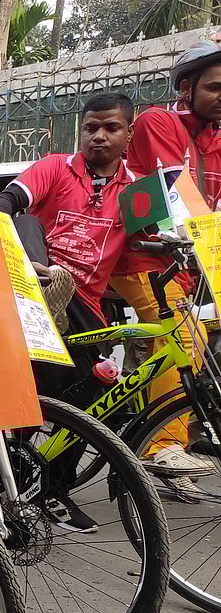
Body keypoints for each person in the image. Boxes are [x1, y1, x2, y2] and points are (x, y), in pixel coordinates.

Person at [0, 92, 139, 532]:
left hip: (89, 311)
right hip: (34, 291)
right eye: (90, 128)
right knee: (23, 221)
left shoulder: (138, 190)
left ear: (128, 133)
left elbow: (162, 235)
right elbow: (7, 202)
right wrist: (21, 250)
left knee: (92, 403)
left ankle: (47, 488)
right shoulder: (55, 167)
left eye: (111, 128)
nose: (98, 136)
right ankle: (23, 486)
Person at [107, 34, 221, 486]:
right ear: (186, 88)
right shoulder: (160, 122)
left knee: (196, 336)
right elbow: (179, 198)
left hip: (187, 260)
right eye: (215, 87)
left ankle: (184, 426)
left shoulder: (215, 138)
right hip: (138, 259)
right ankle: (162, 447)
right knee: (183, 331)